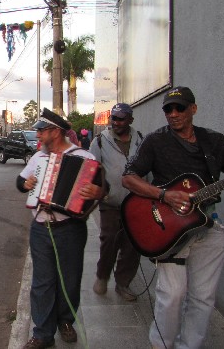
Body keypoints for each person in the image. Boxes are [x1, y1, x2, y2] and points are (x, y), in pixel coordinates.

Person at [121, 87, 224, 349]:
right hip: (169, 229)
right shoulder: (155, 142)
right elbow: (129, 178)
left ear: (193, 109)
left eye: (179, 108)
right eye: (168, 109)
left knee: (203, 298)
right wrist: (164, 196)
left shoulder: (215, 142)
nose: (173, 114)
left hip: (207, 226)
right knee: (171, 296)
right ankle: (161, 345)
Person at [16, 108, 106, 349]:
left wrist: (98, 192)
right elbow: (20, 182)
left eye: (41, 132)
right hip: (40, 228)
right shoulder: (38, 158)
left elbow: (101, 189)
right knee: (42, 281)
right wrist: (26, 184)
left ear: (55, 132)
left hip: (70, 228)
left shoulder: (85, 157)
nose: (37, 137)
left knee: (70, 278)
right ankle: (43, 333)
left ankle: (65, 321)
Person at [89, 103, 143, 302]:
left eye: (121, 118)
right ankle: (102, 276)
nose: (116, 122)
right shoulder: (100, 141)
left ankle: (123, 283)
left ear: (130, 120)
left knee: (132, 245)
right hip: (111, 202)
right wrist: (100, 191)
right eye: (114, 118)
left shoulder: (141, 140)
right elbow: (92, 169)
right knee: (109, 241)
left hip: (137, 204)